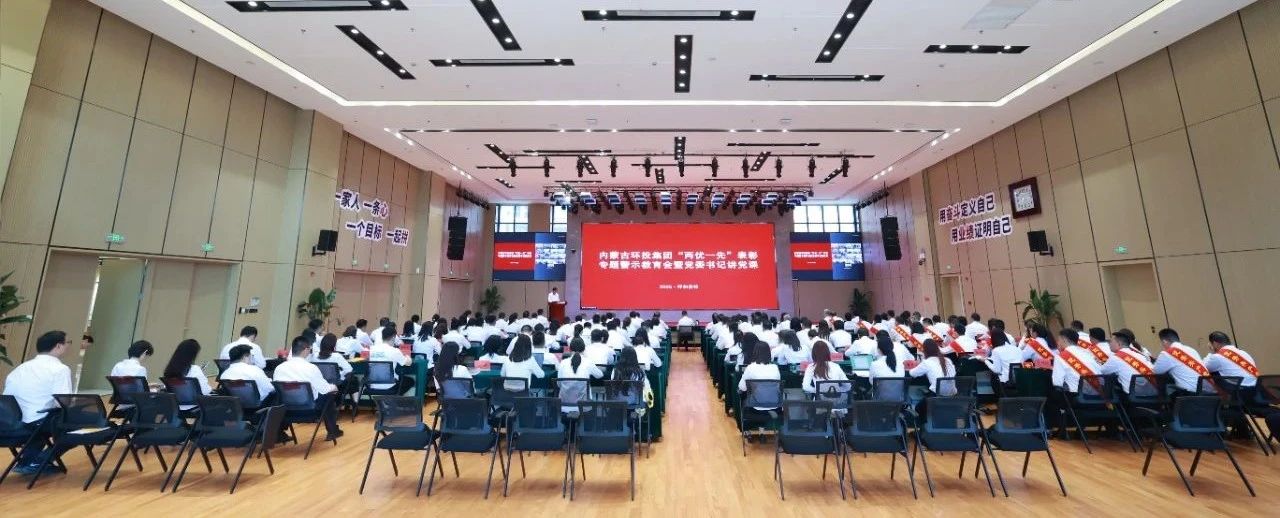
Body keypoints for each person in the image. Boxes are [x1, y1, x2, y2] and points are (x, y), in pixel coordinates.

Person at [3, 331, 72, 474]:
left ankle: (26, 461)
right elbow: (63, 402)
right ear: (58, 346)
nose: (68, 346)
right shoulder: (60, 369)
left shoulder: (20, 368)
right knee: (76, 427)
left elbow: (6, 397)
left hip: (13, 422)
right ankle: (40, 460)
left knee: (44, 420)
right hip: (39, 422)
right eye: (68, 343)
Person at [272, 336, 342, 440]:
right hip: (309, 409)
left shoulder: (279, 368)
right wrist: (334, 387)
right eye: (310, 349)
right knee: (329, 396)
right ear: (306, 350)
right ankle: (332, 431)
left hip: (285, 410)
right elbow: (324, 389)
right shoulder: (311, 368)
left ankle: (279, 433)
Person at [1203, 331, 1259, 399]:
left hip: (1239, 391)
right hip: (1255, 390)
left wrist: (1212, 352)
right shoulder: (1244, 353)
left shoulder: (1217, 357)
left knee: (1211, 373)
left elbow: (1203, 367)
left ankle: (1218, 400)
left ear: (1214, 343)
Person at [737, 342, 781, 427]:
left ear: (755, 353)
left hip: (755, 407)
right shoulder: (775, 367)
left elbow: (742, 387)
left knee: (742, 395)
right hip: (775, 405)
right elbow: (777, 386)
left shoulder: (751, 367)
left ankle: (745, 426)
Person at [1152, 328, 1208, 394]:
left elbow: (1156, 371)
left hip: (1188, 394)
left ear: (1164, 341)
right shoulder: (1192, 350)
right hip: (1205, 392)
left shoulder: (1167, 354)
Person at [1099, 329, 1155, 394]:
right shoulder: (1138, 354)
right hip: (1153, 393)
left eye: (1111, 342)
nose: (1109, 344)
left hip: (1134, 395)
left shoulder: (1115, 358)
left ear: (1119, 344)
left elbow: (1103, 371)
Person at [1051, 329, 1102, 393]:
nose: (1057, 342)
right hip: (1100, 392)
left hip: (1079, 394)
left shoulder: (1061, 356)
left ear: (1064, 340)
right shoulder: (1087, 352)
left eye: (1058, 340)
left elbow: (1057, 382)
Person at [368, 327, 413, 394]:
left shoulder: (371, 349)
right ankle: (392, 398)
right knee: (410, 381)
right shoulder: (395, 351)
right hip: (390, 386)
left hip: (373, 385)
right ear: (393, 338)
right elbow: (408, 363)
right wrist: (407, 355)